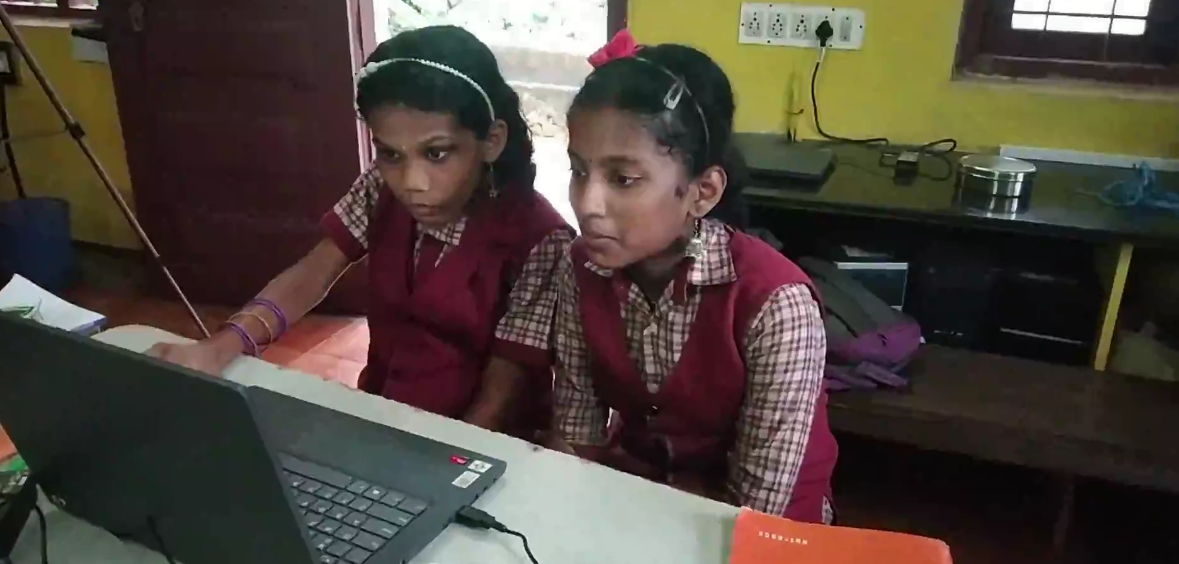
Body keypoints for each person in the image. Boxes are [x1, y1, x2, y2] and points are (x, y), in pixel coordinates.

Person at [148, 26, 573, 437]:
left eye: (436, 153)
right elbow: (313, 273)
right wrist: (224, 345)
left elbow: (500, 396)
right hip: (382, 415)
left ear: (491, 141)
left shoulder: (540, 240)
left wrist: (440, 466)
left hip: (487, 447)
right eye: (390, 154)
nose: (412, 182)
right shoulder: (379, 189)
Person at [549, 30, 838, 522]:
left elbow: (757, 510)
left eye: (623, 179)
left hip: (761, 527)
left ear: (702, 192)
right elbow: (577, 433)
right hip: (640, 494)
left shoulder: (777, 304)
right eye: (579, 171)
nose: (587, 204)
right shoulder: (582, 268)